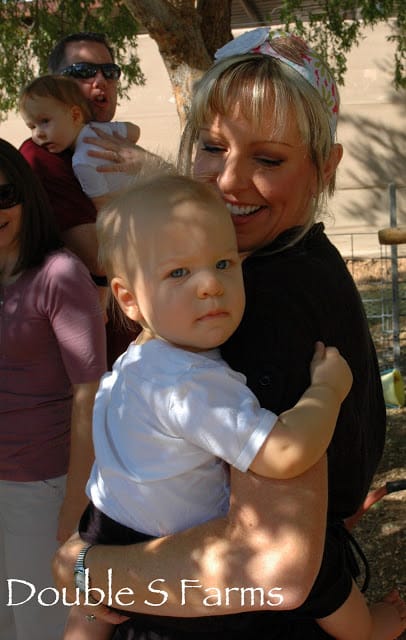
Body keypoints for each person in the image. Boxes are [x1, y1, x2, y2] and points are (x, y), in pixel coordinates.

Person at [53, 28, 395, 640]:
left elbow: (272, 565)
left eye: (268, 159)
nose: (229, 182)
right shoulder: (255, 267)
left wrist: (85, 570)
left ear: (325, 168)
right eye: (211, 148)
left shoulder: (258, 298)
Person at [63, 173, 354, 639]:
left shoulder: (133, 363)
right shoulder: (190, 383)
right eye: (179, 272)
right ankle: (368, 630)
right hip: (173, 563)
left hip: (107, 529)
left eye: (223, 263)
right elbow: (284, 453)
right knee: (314, 561)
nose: (210, 286)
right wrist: (328, 390)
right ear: (128, 298)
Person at [0, 138, 107, 640]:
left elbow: (90, 392)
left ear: (26, 196)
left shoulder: (59, 275)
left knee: (41, 624)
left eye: (5, 196)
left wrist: (73, 499)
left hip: (41, 485)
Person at [19, 32, 146, 367]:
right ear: (54, 84)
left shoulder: (109, 140)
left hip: (144, 344)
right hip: (93, 362)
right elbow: (100, 258)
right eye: (83, 71)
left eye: (109, 71)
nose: (100, 80)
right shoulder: (40, 156)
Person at [19, 75, 141, 212]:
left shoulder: (82, 161)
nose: (38, 134)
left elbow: (104, 207)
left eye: (45, 121)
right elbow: (135, 131)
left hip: (138, 210)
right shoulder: (101, 129)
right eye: (32, 127)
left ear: (75, 115)